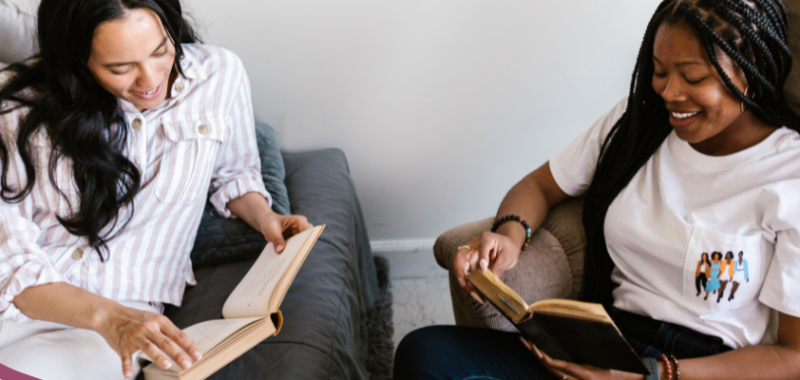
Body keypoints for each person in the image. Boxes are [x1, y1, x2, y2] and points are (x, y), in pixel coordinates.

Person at [394, 0, 800, 379]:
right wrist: (510, 236)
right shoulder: (639, 124)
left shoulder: (788, 174)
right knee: (425, 353)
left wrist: (657, 373)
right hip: (606, 342)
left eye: (693, 77)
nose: (670, 93)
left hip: (698, 368)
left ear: (753, 68)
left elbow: (792, 355)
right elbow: (539, 185)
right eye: (659, 71)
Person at [0, 1, 311, 379]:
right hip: (26, 301)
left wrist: (266, 217)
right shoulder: (15, 107)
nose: (149, 81)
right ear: (77, 62)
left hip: (114, 319)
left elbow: (233, 174)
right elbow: (10, 258)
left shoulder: (218, 75)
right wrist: (110, 318)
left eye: (160, 50)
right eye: (121, 68)